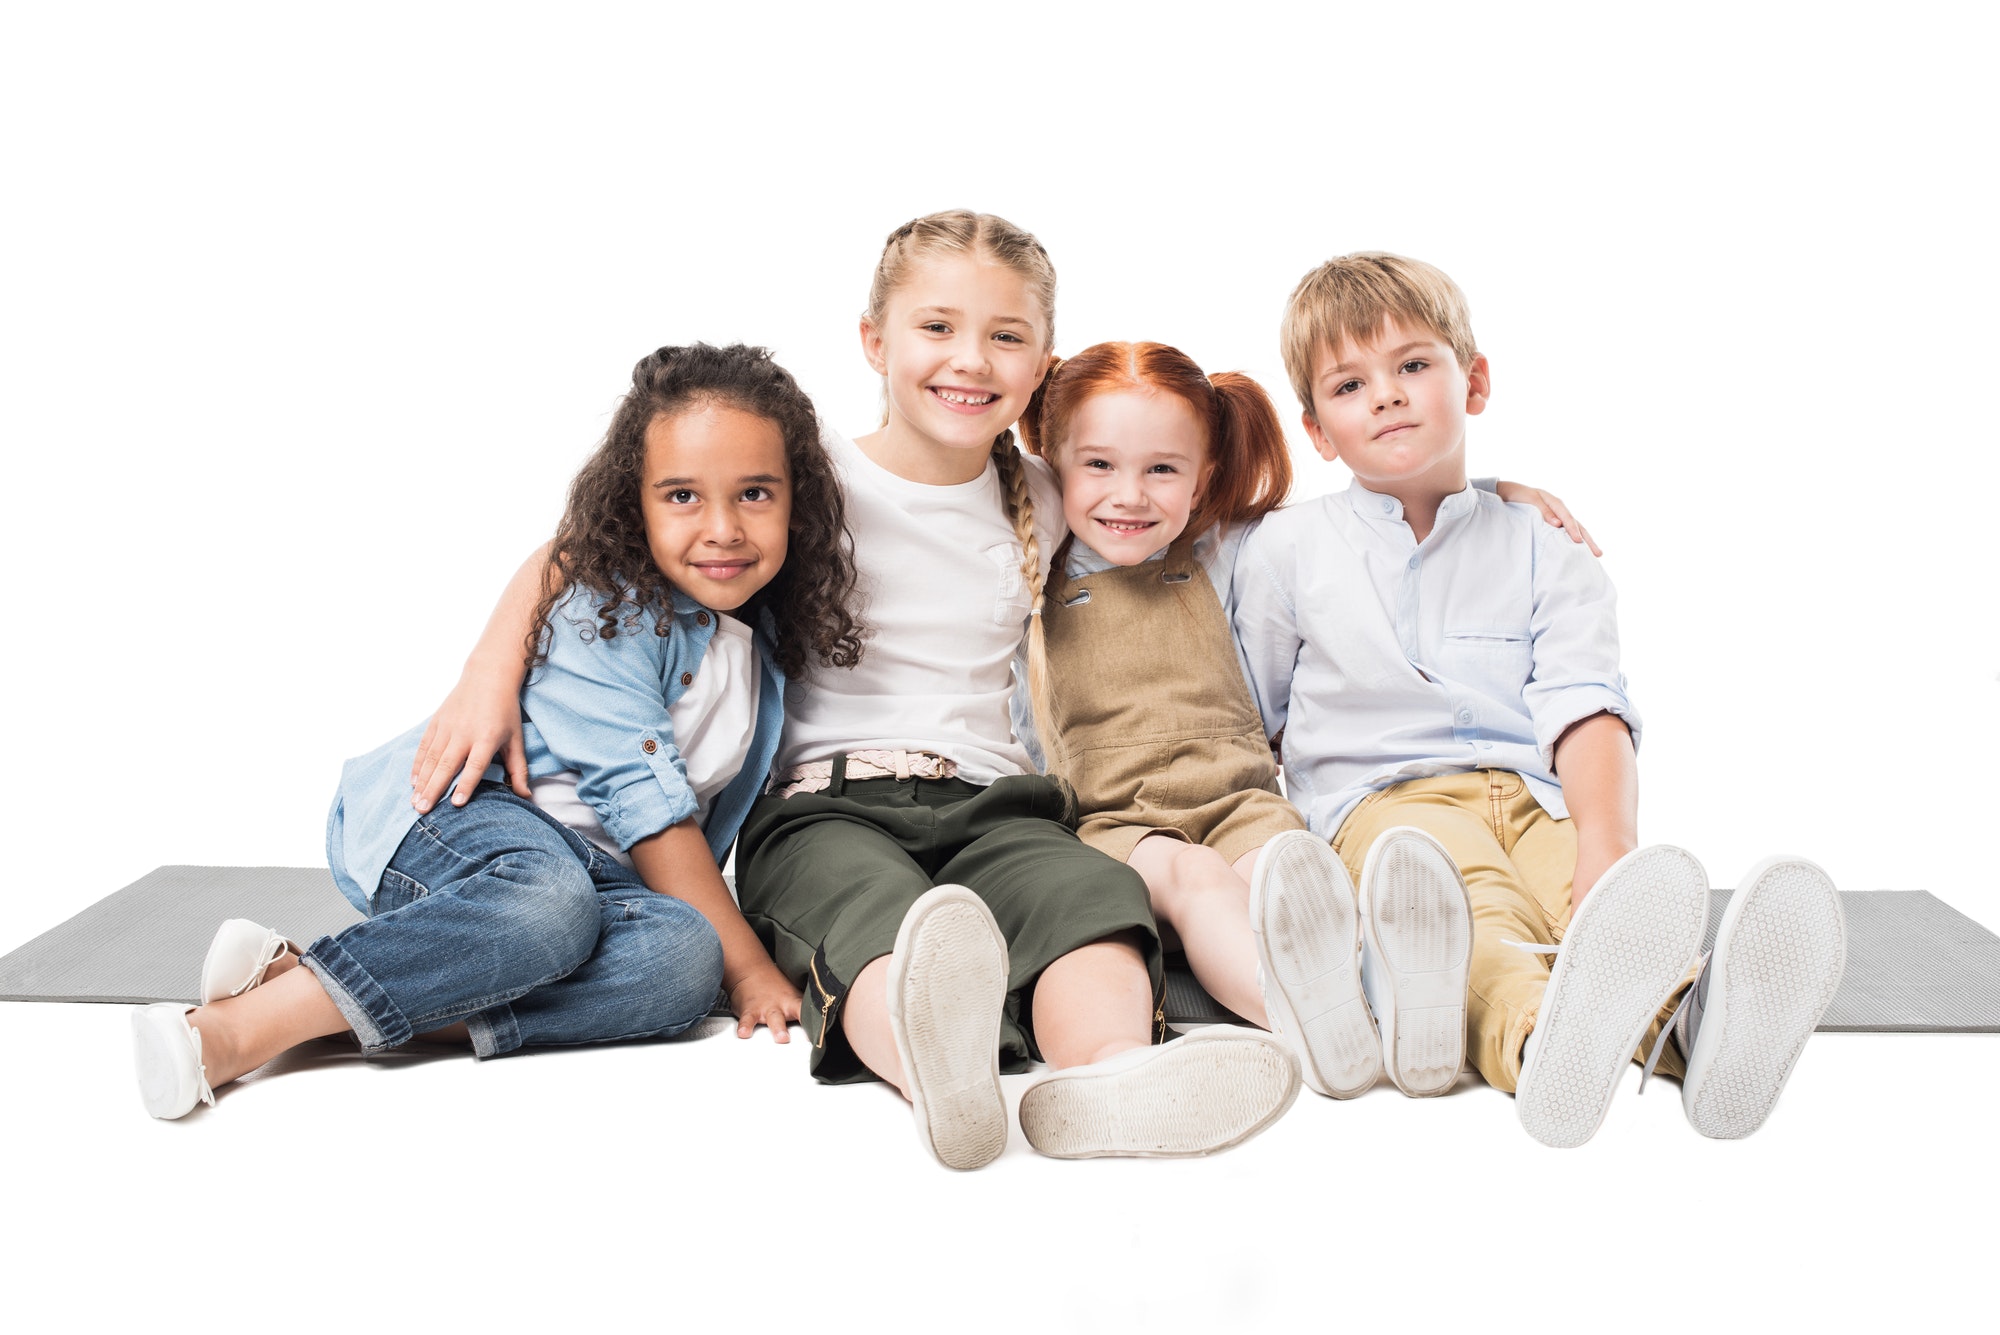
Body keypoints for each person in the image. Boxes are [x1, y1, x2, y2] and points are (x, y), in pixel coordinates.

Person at [414, 212, 1302, 1170]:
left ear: (1043, 364)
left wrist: (1480, 497)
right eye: (937, 328)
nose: (971, 359)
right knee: (877, 921)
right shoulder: (806, 478)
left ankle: (1115, 1073)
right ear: (874, 341)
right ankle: (940, 1077)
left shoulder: (1048, 493)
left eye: (1006, 337)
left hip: (996, 803)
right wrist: (487, 671)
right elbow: (583, 550)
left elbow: (1176, 513)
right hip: (823, 807)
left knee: (1084, 896)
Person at [129, 343, 861, 1119]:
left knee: (681, 959)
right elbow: (650, 814)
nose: (722, 527)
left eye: (754, 493)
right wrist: (750, 969)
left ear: (796, 502)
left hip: (593, 878)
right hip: (457, 813)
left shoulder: (763, 635)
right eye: (682, 495)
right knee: (552, 903)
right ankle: (235, 1032)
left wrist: (720, 957)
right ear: (633, 504)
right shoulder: (611, 609)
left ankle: (311, 991)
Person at [1235, 252, 1849, 1146]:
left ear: (1473, 381)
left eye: (1414, 365)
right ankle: (1537, 1038)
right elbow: (1253, 707)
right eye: (1350, 384)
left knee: (1604, 912)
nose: (1387, 396)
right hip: (1383, 805)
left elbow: (1586, 704)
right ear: (1318, 432)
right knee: (1459, 918)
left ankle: (1698, 1028)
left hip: (1536, 793)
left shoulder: (1543, 541)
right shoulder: (1284, 548)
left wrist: (1607, 841)